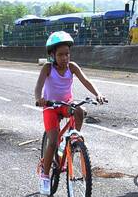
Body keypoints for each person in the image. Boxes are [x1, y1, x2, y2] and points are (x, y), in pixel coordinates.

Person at [34, 30, 106, 180]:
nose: (65, 57)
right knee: (53, 142)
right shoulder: (48, 68)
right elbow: (38, 86)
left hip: (66, 105)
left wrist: (97, 94)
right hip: (50, 106)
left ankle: (73, 142)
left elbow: (86, 81)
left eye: (67, 54)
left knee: (80, 110)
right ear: (52, 55)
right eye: (60, 54)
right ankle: (45, 174)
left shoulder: (72, 67)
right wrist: (39, 98)